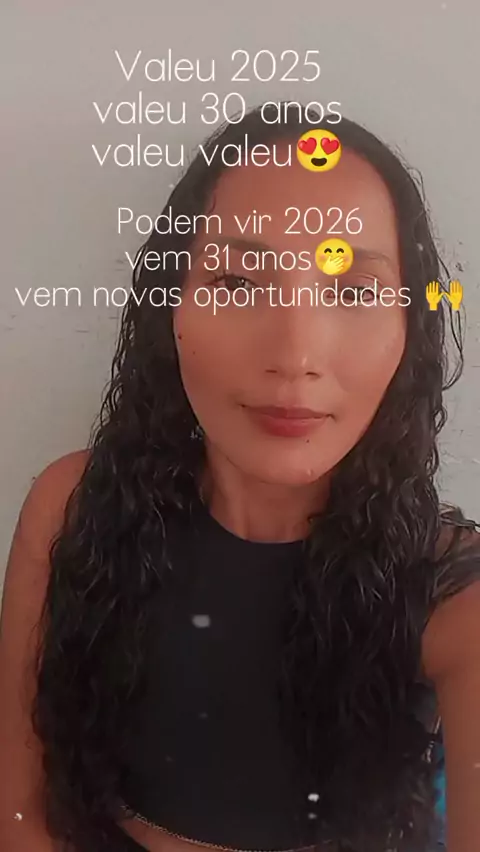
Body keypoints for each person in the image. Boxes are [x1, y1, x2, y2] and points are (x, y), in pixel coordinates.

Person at [1, 105, 479, 852]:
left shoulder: (455, 598)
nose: (295, 355)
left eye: (353, 291)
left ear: (408, 330)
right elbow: (20, 813)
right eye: (238, 281)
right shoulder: (71, 506)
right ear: (171, 310)